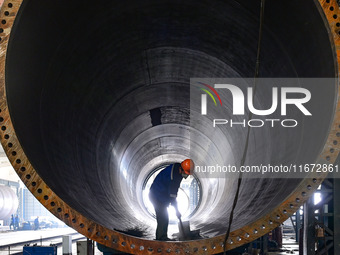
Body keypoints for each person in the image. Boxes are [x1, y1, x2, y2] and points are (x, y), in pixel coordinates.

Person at [149, 159, 194, 241]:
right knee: (163, 217)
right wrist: (177, 211)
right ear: (181, 169)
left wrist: (171, 203)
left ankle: (162, 237)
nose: (185, 176)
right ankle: (161, 238)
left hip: (161, 194)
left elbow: (173, 193)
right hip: (156, 195)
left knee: (164, 216)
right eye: (185, 173)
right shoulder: (174, 177)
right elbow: (173, 196)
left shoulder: (177, 169)